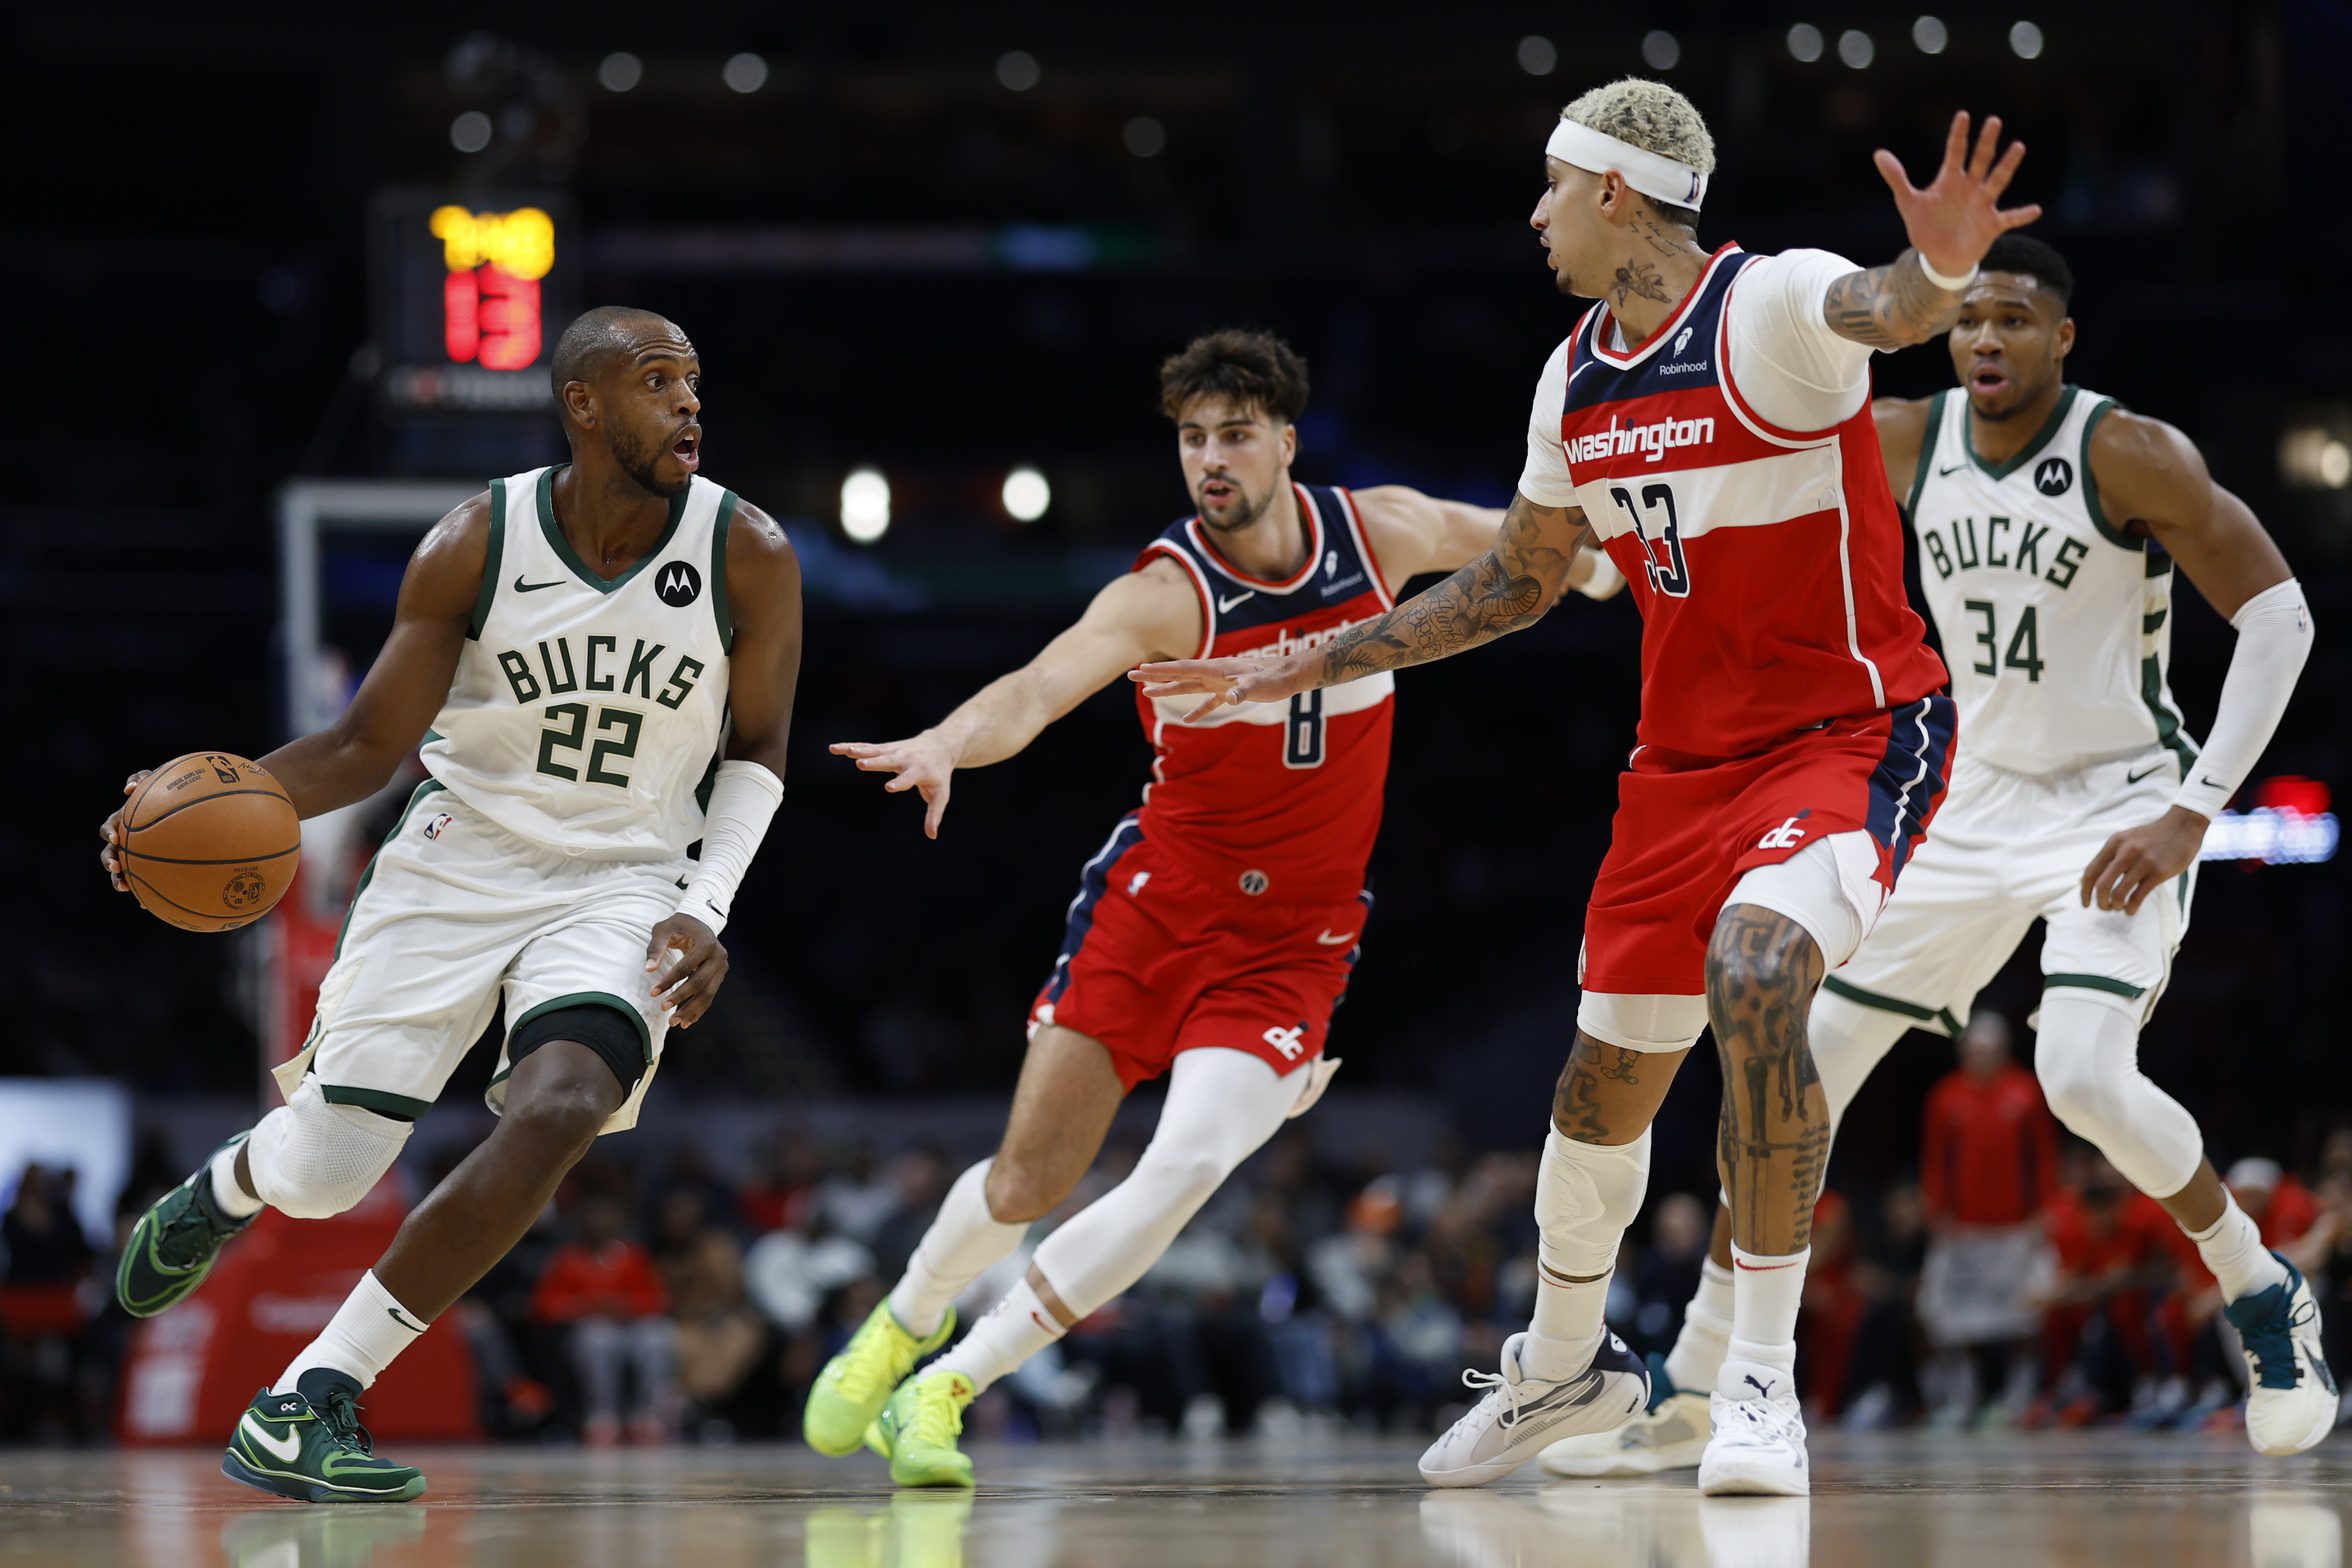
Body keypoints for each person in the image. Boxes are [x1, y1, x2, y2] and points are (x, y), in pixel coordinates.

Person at [1137, 82, 2033, 1495]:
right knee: (1597, 1092)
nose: (1536, 213)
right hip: (1678, 772)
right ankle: (1563, 1366)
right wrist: (1295, 660)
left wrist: (1938, 272)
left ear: (1618, 193)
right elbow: (1516, 581)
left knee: (1760, 971)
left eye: (1553, 187)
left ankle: (1754, 1385)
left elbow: (1885, 308)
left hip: (1847, 735)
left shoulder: (1769, 309)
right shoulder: (1576, 379)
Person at [1550, 229, 2327, 1477]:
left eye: (2014, 319)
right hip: (1962, 801)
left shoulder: (2127, 449)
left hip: (2110, 804)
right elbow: (1751, 475)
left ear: (2062, 338)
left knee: (2078, 1074)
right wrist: (1605, 548)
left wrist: (2194, 806)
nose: (1986, 339)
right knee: (1790, 1052)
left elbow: (2280, 616)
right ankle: (1698, 1379)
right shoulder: (1908, 435)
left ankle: (2257, 1282)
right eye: (1970, 318)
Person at [804, 328, 1621, 1488]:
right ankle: (904, 1318)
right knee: (1027, 1180)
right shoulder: (1166, 593)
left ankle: (948, 1386)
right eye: (1192, 438)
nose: (1211, 458)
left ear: (1286, 442)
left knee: (1186, 1167)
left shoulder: (1376, 532)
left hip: (1296, 938)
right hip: (1159, 905)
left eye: (1235, 433)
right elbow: (1039, 686)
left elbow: (1523, 540)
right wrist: (947, 740)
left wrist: (1601, 563)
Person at [100, 306, 803, 1502]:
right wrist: (201, 795)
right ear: (582, 405)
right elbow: (368, 743)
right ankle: (235, 1179)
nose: (689, 403)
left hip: (624, 878)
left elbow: (760, 748)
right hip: (455, 860)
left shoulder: (749, 551)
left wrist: (707, 902)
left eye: (693, 382)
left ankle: (310, 1394)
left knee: (563, 1105)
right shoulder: (475, 541)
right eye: (654, 382)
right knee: (326, 1172)